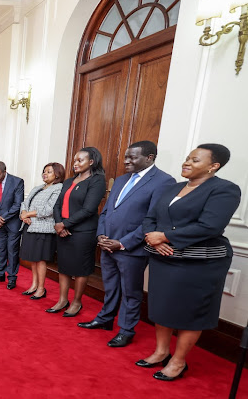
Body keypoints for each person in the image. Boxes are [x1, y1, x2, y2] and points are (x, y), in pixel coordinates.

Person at [138, 143, 240, 381]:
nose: (187, 162)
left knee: (190, 311)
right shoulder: (173, 187)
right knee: (162, 306)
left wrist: (165, 236)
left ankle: (178, 361)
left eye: (195, 160)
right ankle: (161, 352)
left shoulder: (224, 189)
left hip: (199, 263)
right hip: (163, 257)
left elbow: (210, 226)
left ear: (213, 166)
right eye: (187, 158)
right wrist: (153, 240)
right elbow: (150, 217)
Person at [78, 141, 175, 348]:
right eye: (126, 156)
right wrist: (101, 236)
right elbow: (106, 212)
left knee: (131, 292)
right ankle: (105, 319)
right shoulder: (122, 180)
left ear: (149, 158)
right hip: (107, 245)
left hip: (132, 249)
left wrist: (122, 243)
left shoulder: (164, 181)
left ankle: (126, 330)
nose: (126, 161)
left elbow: (154, 219)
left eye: (132, 157)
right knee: (111, 287)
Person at [50, 147, 106, 317]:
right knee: (64, 266)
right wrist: (59, 224)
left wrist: (65, 225)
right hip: (63, 230)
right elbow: (57, 205)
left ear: (91, 162)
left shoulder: (97, 181)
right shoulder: (68, 181)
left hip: (83, 232)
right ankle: (62, 300)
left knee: (81, 269)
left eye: (80, 160)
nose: (75, 163)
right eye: (75, 160)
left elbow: (89, 209)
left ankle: (76, 302)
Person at [19, 162, 65, 299]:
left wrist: (28, 214)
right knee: (33, 259)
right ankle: (34, 285)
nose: (45, 174)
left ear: (57, 174)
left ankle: (41, 288)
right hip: (30, 226)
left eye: (49, 172)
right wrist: (23, 214)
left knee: (40, 260)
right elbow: (24, 203)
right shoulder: (38, 188)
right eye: (44, 171)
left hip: (43, 229)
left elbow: (48, 210)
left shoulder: (58, 188)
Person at [0, 161, 25, 290]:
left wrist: (3, 218)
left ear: (4, 171)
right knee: (0, 248)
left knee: (12, 250)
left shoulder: (17, 182)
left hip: (12, 222)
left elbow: (17, 205)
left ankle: (12, 277)